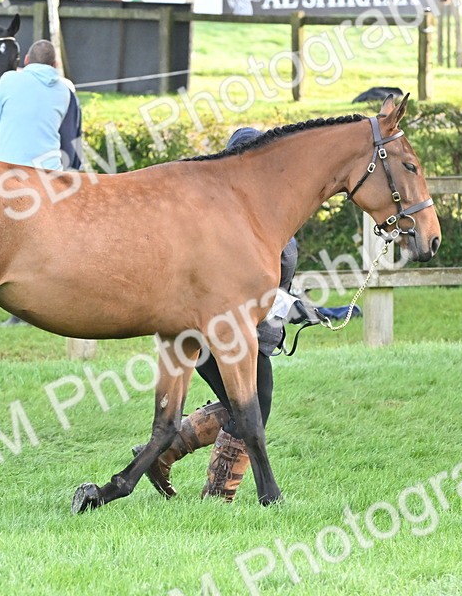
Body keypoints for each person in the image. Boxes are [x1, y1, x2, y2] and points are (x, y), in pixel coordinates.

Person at [133, 128, 347, 501]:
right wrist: (300, 309)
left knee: (243, 409)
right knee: (251, 411)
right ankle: (217, 495)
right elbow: (246, 288)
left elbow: (272, 282)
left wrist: (309, 307)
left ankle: (165, 455)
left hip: (242, 333)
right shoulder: (233, 222)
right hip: (226, 333)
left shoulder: (262, 214)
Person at [0, 39, 81, 171]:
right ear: (55, 64)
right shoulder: (64, 91)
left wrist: (0, 146)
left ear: (26, 60)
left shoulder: (8, 80)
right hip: (50, 173)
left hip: (9, 169)